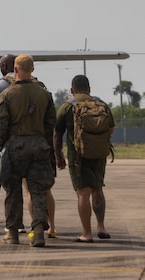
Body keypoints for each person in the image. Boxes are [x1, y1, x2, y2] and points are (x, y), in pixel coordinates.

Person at [0, 54, 57, 238]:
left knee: (13, 191)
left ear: (16, 69)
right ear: (33, 69)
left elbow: (1, 125)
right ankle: (40, 230)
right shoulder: (45, 94)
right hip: (39, 147)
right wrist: (48, 148)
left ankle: (12, 232)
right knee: (38, 191)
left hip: (14, 148)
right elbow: (51, 125)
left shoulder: (6, 94)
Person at [53, 74, 114, 243]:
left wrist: (59, 157)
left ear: (72, 90)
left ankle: (87, 233)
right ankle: (101, 228)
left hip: (78, 157)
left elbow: (57, 135)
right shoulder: (101, 104)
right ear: (89, 89)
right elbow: (111, 128)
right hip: (100, 155)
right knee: (98, 189)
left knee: (83, 193)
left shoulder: (67, 107)